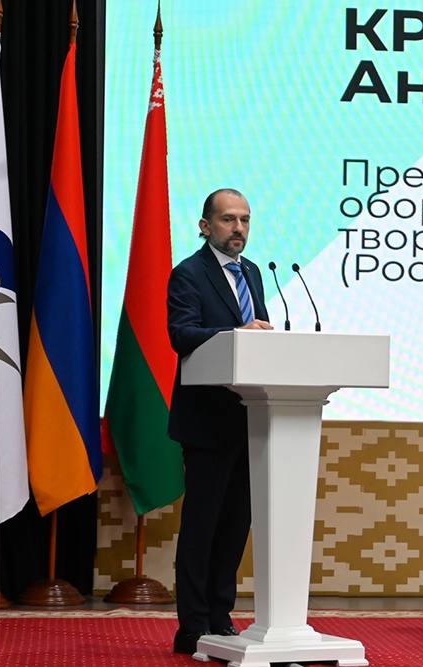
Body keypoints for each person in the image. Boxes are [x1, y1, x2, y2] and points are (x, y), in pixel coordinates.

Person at [167, 188, 273, 654]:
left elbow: (257, 336)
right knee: (203, 526)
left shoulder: (252, 273)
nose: (239, 229)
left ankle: (219, 616)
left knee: (234, 527)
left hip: (250, 417)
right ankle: (192, 624)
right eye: (229, 219)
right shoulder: (189, 273)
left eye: (245, 220)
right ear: (205, 226)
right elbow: (182, 334)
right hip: (207, 421)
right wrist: (236, 332)